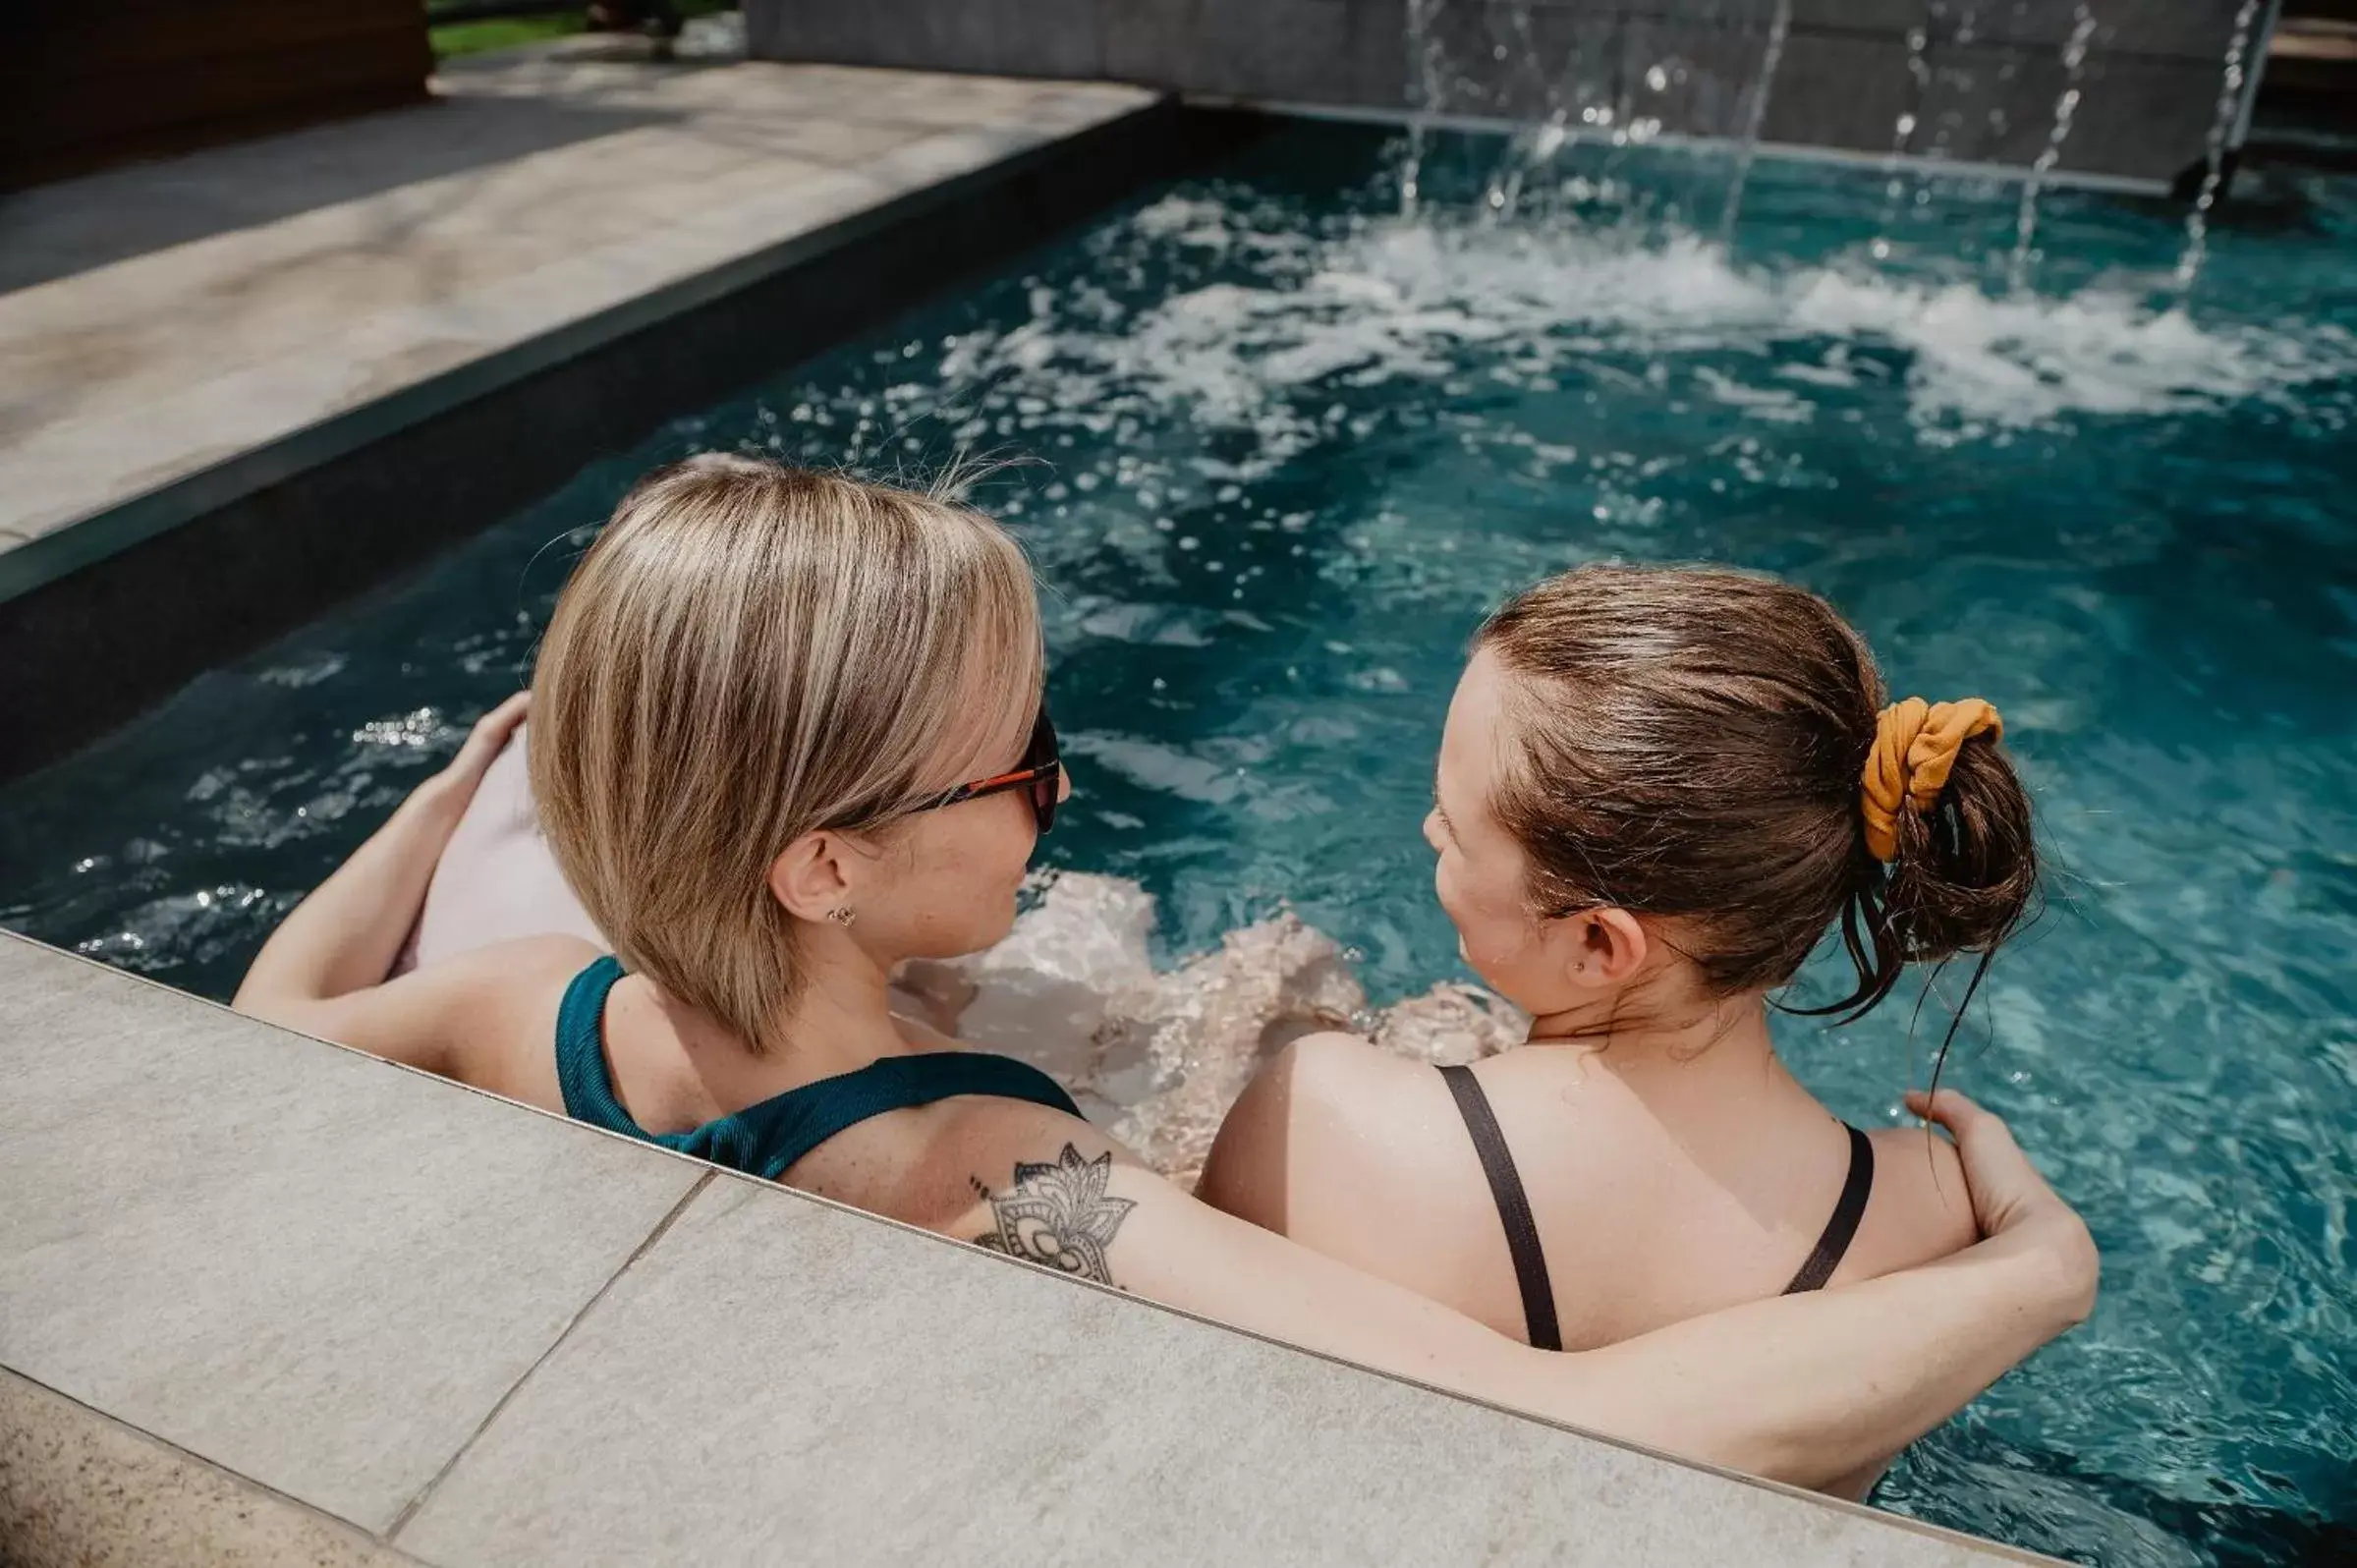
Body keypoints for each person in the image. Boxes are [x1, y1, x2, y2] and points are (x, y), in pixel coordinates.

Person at [233, 456, 2095, 1492]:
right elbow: (1580, 1422)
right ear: (822, 864)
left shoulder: (515, 1000)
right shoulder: (1007, 1179)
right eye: (1022, 762)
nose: (1059, 780)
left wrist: (438, 802)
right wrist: (2035, 1269)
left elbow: (265, 1029)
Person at [1197, 564, 2042, 1497]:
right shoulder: (1932, 1210)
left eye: (1455, 821)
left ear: (1599, 943)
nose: (1429, 828)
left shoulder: (1320, 1113)